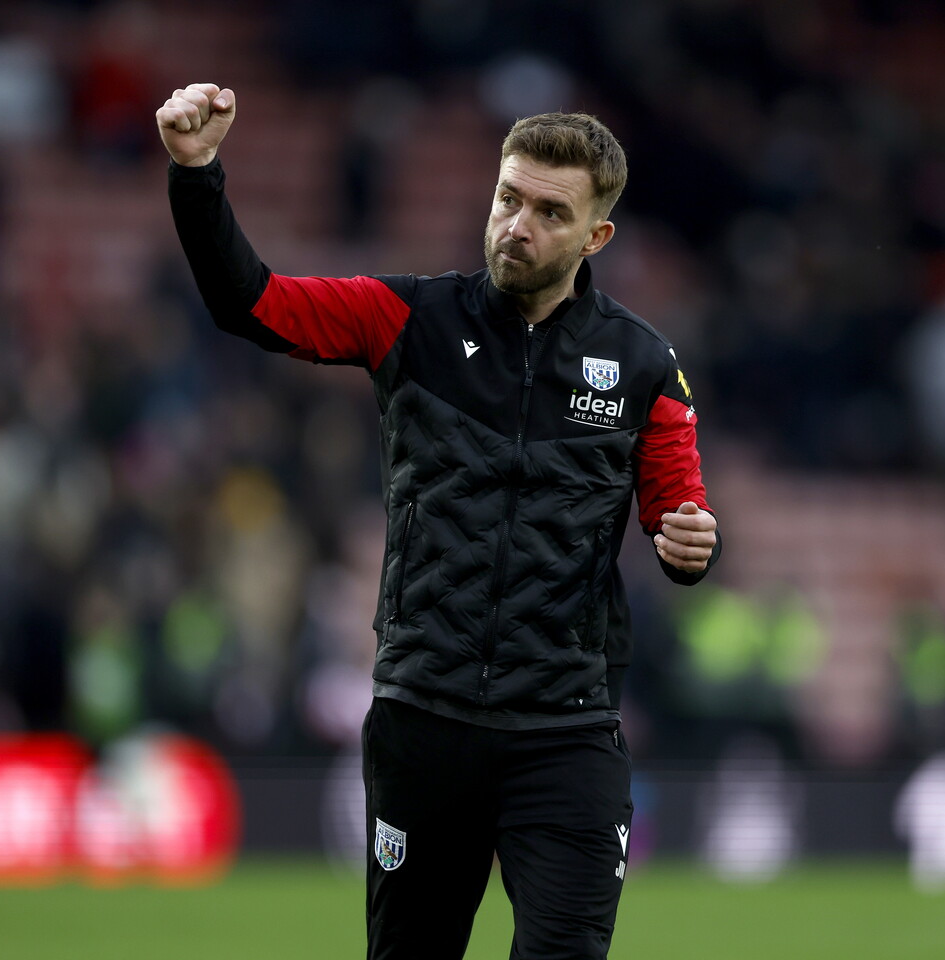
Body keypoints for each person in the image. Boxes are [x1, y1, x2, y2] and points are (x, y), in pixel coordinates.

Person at [158, 82, 719, 960]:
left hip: (565, 735)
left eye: (547, 211)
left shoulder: (643, 363)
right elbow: (253, 304)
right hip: (425, 727)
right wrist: (197, 174)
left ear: (594, 237)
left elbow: (677, 513)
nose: (516, 225)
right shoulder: (407, 319)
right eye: (507, 198)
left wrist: (691, 544)